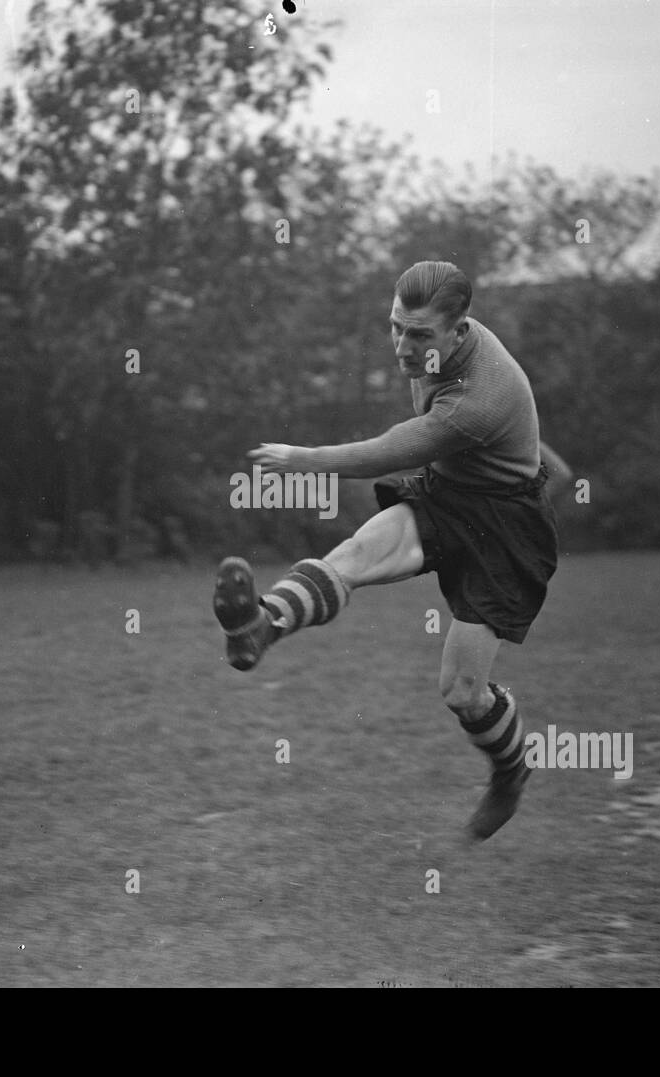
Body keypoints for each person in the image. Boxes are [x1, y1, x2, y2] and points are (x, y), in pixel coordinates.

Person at [213, 261, 563, 842]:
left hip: (505, 531)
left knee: (462, 693)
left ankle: (511, 771)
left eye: (419, 334)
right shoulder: (440, 353)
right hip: (451, 494)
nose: (402, 345)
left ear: (459, 330)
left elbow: (391, 450)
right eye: (396, 326)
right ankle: (259, 626)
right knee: (354, 554)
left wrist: (301, 458)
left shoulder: (479, 396)